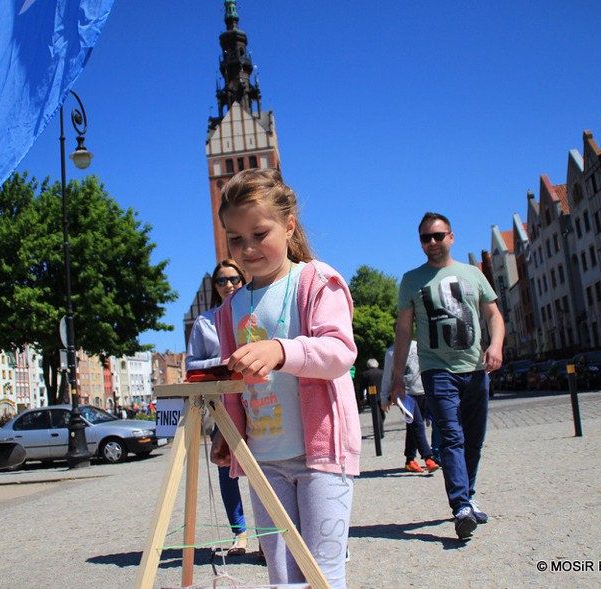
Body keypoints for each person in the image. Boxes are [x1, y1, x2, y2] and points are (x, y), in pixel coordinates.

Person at [211, 168, 360, 589]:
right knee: (282, 577)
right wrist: (229, 435)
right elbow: (235, 385)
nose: (248, 248)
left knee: (322, 575)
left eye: (259, 233)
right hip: (264, 462)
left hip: (322, 456)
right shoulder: (230, 309)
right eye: (236, 239)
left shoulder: (315, 280)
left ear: (288, 225)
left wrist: (280, 350)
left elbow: (338, 353)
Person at [389, 212, 504, 540]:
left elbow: (494, 314)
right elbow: (404, 331)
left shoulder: (472, 274)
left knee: (474, 439)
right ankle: (460, 507)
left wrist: (495, 345)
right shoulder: (412, 280)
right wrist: (397, 377)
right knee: (451, 437)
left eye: (438, 236)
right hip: (437, 371)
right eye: (426, 238)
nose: (433, 243)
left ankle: (467, 494)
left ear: (451, 237)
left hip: (476, 369)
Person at [186, 258, 251, 556]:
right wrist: (223, 363)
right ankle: (240, 533)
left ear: (243, 280)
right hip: (224, 406)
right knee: (227, 469)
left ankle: (269, 536)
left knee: (265, 467)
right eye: (223, 280)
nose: (229, 285)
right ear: (215, 286)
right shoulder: (205, 321)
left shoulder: (254, 311)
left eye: (235, 279)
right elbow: (191, 365)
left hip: (260, 401)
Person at [381, 340, 440, 473]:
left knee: (413, 426)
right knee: (417, 424)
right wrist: (384, 397)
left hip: (423, 390)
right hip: (405, 394)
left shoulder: (419, 345)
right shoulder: (391, 352)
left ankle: (410, 460)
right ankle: (428, 457)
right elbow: (387, 376)